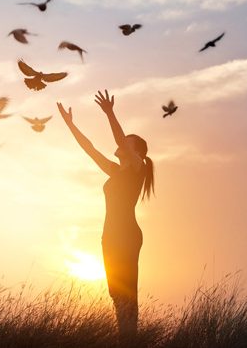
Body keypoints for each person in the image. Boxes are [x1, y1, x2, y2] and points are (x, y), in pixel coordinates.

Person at [57, 90, 154, 337]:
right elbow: (89, 149)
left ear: (137, 153)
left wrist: (110, 113)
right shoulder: (116, 172)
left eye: (127, 142)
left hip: (127, 235)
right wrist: (71, 125)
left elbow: (121, 140)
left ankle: (130, 339)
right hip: (109, 235)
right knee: (116, 293)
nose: (120, 144)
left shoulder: (137, 168)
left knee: (127, 292)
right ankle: (126, 338)